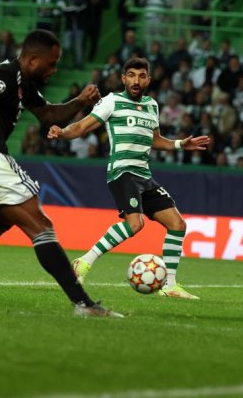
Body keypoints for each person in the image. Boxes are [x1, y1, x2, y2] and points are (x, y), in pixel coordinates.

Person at [0, 29, 122, 318]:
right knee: (42, 226)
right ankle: (84, 304)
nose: (54, 70)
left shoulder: (23, 84)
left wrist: (79, 102)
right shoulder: (5, 77)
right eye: (51, 64)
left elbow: (49, 116)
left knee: (0, 220)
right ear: (32, 59)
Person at [47, 57, 209, 299]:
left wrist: (179, 144)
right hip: (122, 172)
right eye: (131, 75)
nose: (136, 80)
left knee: (177, 225)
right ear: (123, 78)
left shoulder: (152, 106)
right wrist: (62, 132)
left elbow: (155, 140)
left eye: (141, 76)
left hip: (144, 175)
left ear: (148, 80)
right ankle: (84, 262)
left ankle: (169, 286)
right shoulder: (112, 101)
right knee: (135, 224)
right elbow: (81, 127)